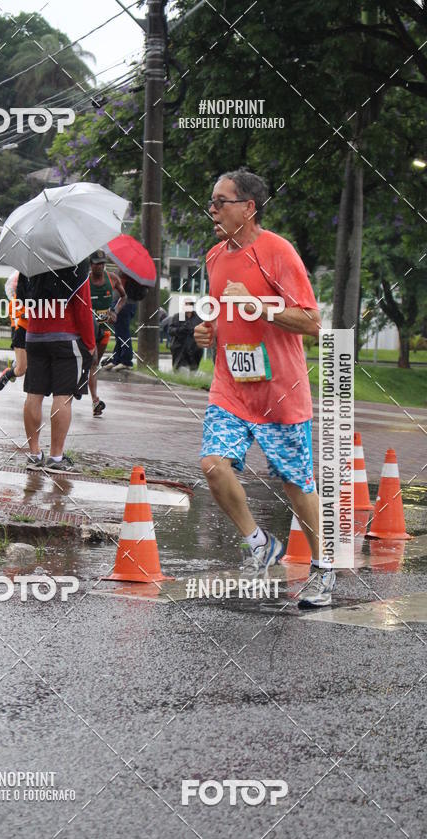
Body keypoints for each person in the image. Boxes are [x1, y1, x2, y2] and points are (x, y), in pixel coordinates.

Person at [195, 167, 335, 608]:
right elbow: (222, 315)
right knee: (213, 466)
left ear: (248, 208)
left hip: (280, 389)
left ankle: (323, 568)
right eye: (212, 201)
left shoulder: (278, 252)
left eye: (222, 201)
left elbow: (311, 321)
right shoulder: (215, 257)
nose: (212, 209)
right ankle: (260, 542)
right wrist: (208, 331)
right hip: (231, 388)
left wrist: (256, 304)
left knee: (296, 482)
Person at [17, 260, 94, 471]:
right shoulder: (76, 262)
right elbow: (83, 306)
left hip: (34, 336)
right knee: (63, 396)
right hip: (65, 337)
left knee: (34, 394)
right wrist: (90, 344)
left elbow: (21, 297)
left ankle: (34, 455)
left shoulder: (30, 262)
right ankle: (56, 458)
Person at [87, 250, 126, 415]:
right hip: (87, 329)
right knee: (93, 358)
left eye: (102, 263)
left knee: (94, 365)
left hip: (103, 329)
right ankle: (95, 399)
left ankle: (94, 403)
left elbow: (123, 297)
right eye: (97, 263)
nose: (100, 266)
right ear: (91, 264)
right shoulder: (84, 280)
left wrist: (115, 311)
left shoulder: (112, 278)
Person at [105, 274, 146, 371]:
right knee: (120, 333)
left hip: (123, 304)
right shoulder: (135, 274)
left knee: (122, 333)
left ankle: (126, 361)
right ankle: (117, 359)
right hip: (128, 304)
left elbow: (120, 289)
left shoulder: (125, 273)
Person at [0, 271, 27, 391]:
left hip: (34, 334)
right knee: (21, 370)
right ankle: (8, 374)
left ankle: (15, 364)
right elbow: (21, 319)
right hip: (20, 333)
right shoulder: (14, 303)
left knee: (30, 367)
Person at [168, 302, 203, 371]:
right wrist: (179, 330)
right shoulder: (177, 317)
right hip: (180, 350)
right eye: (186, 304)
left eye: (190, 304)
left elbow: (202, 332)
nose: (188, 306)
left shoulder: (198, 318)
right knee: (182, 371)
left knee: (193, 372)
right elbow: (170, 330)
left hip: (194, 351)